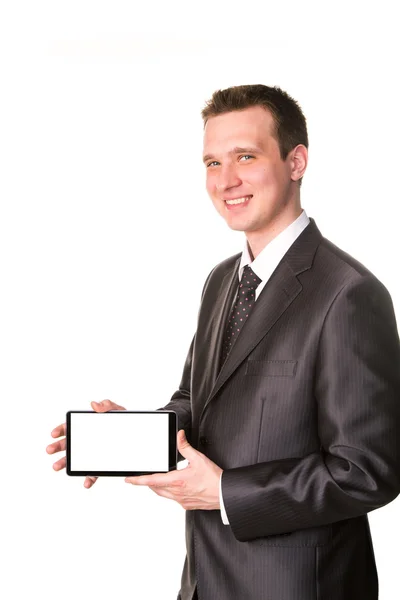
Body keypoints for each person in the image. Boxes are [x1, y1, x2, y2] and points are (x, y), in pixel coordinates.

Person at [47, 84, 400, 600]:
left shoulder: (348, 294)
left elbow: (367, 470)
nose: (225, 180)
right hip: (205, 581)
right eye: (212, 162)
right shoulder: (222, 280)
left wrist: (224, 493)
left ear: (296, 160)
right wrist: (136, 438)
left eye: (245, 156)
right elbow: (199, 401)